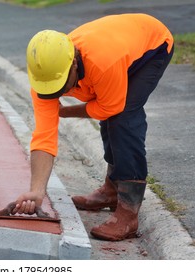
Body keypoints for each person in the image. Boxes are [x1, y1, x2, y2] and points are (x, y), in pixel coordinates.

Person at [11, 13, 174, 241]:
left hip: (153, 44)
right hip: (119, 45)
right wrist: (36, 191)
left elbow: (109, 108)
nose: (55, 93)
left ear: (74, 64)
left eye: (60, 85)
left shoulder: (102, 63)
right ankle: (111, 191)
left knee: (123, 118)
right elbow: (44, 138)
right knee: (113, 115)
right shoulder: (45, 79)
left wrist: (65, 112)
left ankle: (128, 213)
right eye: (49, 88)